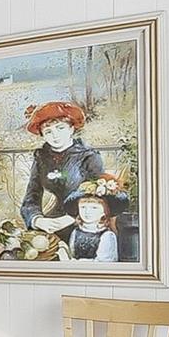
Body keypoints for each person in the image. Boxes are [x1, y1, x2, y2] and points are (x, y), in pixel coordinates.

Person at [19, 101, 107, 238]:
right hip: (54, 221)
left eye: (60, 128)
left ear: (71, 128)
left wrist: (72, 218)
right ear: (42, 134)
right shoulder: (41, 158)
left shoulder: (89, 156)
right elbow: (31, 196)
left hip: (87, 222)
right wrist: (37, 220)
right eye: (48, 131)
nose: (55, 135)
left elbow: (102, 197)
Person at [66, 193, 120, 262]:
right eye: (83, 207)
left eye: (94, 208)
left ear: (104, 211)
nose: (87, 212)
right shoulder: (75, 232)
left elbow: (105, 261)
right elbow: (72, 255)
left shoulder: (107, 235)